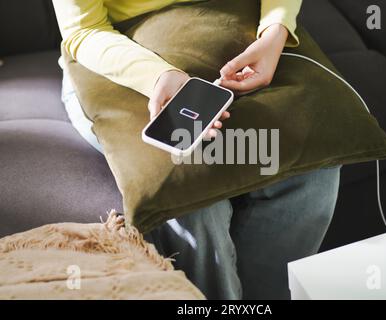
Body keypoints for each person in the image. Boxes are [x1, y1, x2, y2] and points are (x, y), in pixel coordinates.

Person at [53, 0, 341, 299]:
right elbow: (84, 30)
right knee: (191, 200)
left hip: (229, 28)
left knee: (312, 173)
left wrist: (275, 28)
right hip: (116, 56)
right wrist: (158, 77)